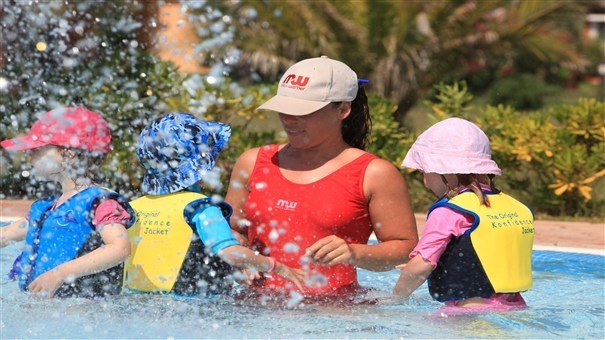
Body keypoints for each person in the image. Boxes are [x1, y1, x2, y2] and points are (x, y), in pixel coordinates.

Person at [225, 56, 418, 297]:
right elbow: (231, 232)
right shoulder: (253, 162)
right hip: (254, 310)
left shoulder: (374, 174)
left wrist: (354, 253)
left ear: (342, 109)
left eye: (303, 111)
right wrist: (241, 256)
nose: (289, 119)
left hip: (334, 316)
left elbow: (406, 248)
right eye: (283, 109)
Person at [124, 113, 304, 296]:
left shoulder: (134, 208)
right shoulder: (200, 209)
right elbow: (229, 253)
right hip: (194, 308)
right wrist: (275, 266)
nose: (217, 162)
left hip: (140, 303)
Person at [393, 117, 534, 312]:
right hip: (517, 309)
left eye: (425, 171)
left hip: (467, 312)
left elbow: (421, 265)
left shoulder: (448, 211)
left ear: (445, 172)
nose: (425, 180)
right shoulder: (513, 206)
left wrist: (395, 298)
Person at [0, 107, 135, 298]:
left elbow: (119, 248)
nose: (29, 156)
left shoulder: (100, 203)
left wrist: (61, 273)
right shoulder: (47, 208)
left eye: (37, 149)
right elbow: (6, 234)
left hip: (83, 313)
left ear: (68, 154)